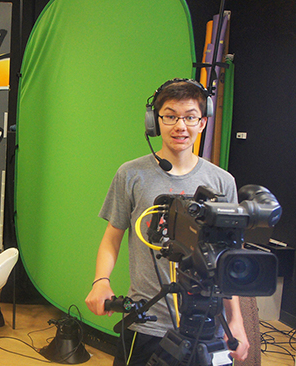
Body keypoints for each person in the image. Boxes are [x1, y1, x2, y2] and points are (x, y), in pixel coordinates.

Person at [84, 79, 249, 365]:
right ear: (154, 121)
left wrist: (236, 321)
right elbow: (112, 237)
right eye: (170, 116)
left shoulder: (223, 182)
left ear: (203, 122)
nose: (180, 126)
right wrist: (101, 282)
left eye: (189, 117)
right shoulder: (131, 174)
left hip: (206, 327)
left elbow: (227, 261)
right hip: (147, 321)